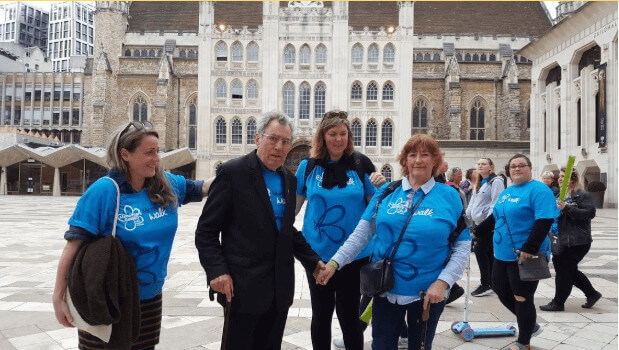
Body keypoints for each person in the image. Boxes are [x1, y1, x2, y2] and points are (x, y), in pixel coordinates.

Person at [52, 121, 210, 349]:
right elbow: (73, 246)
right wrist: (58, 297)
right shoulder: (105, 190)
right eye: (149, 152)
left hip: (150, 297)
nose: (156, 158)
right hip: (109, 297)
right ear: (125, 154)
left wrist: (239, 170)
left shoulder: (164, 184)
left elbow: (203, 188)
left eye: (157, 151)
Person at [318, 134, 470, 350]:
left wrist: (443, 282)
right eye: (412, 154)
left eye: (425, 155)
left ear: (435, 161)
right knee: (381, 345)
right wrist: (335, 263)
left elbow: (462, 245)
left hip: (428, 293)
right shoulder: (387, 192)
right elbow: (361, 234)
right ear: (404, 160)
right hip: (386, 289)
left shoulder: (449, 195)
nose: (418, 160)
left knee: (419, 346)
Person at [195, 112, 325, 350]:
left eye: (286, 142)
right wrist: (217, 271)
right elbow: (206, 231)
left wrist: (313, 262)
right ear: (257, 138)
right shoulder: (233, 173)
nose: (279, 147)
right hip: (242, 288)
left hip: (279, 290)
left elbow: (286, 230)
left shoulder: (288, 179)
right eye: (273, 139)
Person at [295, 110, 384, 350]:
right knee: (321, 314)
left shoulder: (360, 163)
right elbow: (292, 209)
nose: (338, 139)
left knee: (349, 317)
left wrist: (382, 186)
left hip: (354, 256)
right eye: (332, 134)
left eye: (343, 133)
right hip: (318, 256)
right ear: (322, 136)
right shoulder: (308, 167)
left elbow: (376, 208)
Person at [475, 154, 555, 350]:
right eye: (513, 167)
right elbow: (496, 217)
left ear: (530, 168)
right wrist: (476, 231)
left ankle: (524, 341)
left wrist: (530, 247)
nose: (517, 169)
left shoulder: (539, 190)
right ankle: (530, 324)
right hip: (501, 253)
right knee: (500, 289)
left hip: (524, 254)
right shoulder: (507, 191)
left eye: (521, 165)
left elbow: (544, 220)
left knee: (522, 297)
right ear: (509, 171)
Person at [539, 168, 602, 312]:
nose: (560, 179)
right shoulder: (559, 196)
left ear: (572, 179)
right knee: (568, 270)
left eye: (563, 176)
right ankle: (592, 294)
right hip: (560, 240)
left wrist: (567, 208)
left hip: (577, 241)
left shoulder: (581, 195)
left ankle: (558, 303)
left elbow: (589, 213)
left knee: (564, 272)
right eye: (559, 177)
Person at [466, 158, 505, 297]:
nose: (480, 166)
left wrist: (486, 225)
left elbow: (495, 204)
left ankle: (486, 283)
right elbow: (473, 202)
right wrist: (467, 218)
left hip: (487, 224)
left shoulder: (496, 182)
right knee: (487, 253)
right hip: (478, 222)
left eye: (483, 164)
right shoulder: (480, 182)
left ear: (491, 167)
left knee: (480, 251)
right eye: (479, 164)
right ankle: (494, 282)